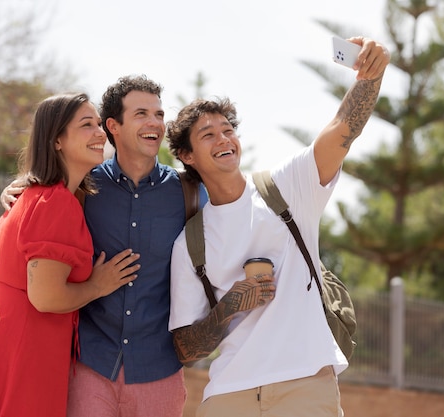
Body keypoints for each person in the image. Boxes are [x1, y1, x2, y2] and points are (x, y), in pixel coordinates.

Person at [166, 37, 390, 417]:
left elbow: (341, 130)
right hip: (228, 393)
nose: (224, 139)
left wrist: (371, 76)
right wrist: (231, 306)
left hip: (305, 384)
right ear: (187, 155)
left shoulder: (285, 188)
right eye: (208, 135)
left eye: (227, 130)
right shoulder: (190, 242)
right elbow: (186, 348)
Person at [1, 75, 208, 417]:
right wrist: (13, 188)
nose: (154, 123)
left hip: (160, 370)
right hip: (89, 366)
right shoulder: (83, 185)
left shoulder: (188, 193)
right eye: (141, 113)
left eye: (158, 114)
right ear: (113, 125)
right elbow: (42, 197)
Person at [0, 92, 140, 417]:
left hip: (8, 346)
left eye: (99, 124)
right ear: (56, 140)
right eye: (86, 125)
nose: (100, 133)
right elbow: (46, 298)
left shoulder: (36, 195)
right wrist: (98, 286)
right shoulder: (55, 202)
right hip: (19, 352)